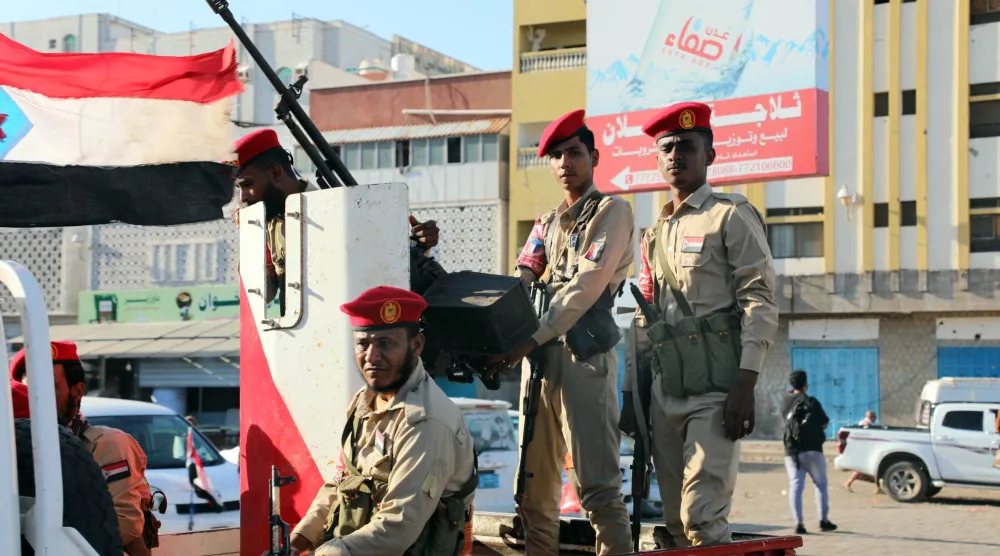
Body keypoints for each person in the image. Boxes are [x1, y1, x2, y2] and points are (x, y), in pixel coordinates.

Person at [621, 101, 778, 547]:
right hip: (665, 390)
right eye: (667, 148)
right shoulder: (653, 235)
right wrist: (632, 394)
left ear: (710, 155)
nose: (676, 155)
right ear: (657, 158)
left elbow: (760, 300)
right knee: (673, 523)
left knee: (702, 521)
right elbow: (643, 320)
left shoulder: (730, 215)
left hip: (716, 390)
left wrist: (745, 383)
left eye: (687, 146)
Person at [490, 109, 634, 555]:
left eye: (573, 153)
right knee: (535, 493)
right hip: (539, 364)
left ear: (593, 156)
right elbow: (522, 281)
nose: (564, 163)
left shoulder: (612, 212)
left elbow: (586, 285)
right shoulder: (546, 223)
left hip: (583, 359)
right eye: (556, 155)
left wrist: (529, 339)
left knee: (598, 489)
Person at [288, 286, 477, 556]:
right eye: (363, 344)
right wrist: (298, 542)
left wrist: (324, 553)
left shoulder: (426, 421)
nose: (372, 357)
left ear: (417, 345)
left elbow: (398, 526)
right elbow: (341, 482)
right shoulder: (364, 404)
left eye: (386, 343)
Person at [231, 129, 441, 307]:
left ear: (276, 172)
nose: (242, 197)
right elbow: (262, 296)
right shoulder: (270, 225)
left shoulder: (337, 210)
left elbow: (385, 270)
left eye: (247, 185)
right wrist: (252, 237)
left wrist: (420, 245)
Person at [10, 341, 158, 555]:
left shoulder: (105, 444)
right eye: (28, 390)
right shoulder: (15, 448)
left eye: (47, 388)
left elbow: (123, 527)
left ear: (77, 391)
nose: (36, 399)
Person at [781, 370, 837, 534]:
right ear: (806, 384)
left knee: (796, 486)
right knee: (820, 485)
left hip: (792, 450)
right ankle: (823, 521)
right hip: (813, 449)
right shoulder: (811, 401)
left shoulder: (785, 402)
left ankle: (799, 524)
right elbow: (824, 423)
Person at [844, 411, 881, 493]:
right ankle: (878, 488)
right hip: (866, 450)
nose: (875, 419)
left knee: (867, 469)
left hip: (864, 449)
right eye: (874, 418)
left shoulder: (863, 422)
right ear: (872, 417)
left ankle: (878, 488)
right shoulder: (867, 424)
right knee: (871, 469)